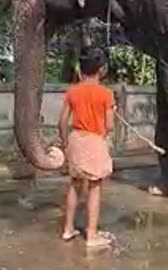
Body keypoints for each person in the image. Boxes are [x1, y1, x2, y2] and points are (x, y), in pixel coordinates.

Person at [58, 46, 115, 248]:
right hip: (94, 140)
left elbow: (62, 121)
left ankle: (68, 229)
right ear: (103, 70)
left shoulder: (72, 92)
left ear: (80, 68)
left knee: (74, 184)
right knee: (94, 186)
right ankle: (91, 235)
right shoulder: (106, 94)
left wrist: (65, 143)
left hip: (75, 139)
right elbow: (109, 125)